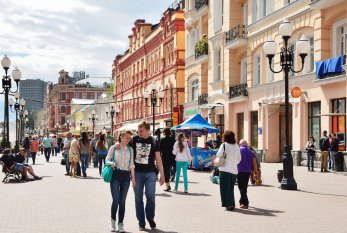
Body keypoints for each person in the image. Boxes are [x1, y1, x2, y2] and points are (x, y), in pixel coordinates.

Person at [115, 121, 164, 231]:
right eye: (138, 131)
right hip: (137, 173)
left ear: (148, 130)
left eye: (141, 131)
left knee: (150, 196)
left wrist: (162, 175)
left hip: (151, 173)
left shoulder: (154, 140)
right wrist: (117, 144)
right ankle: (141, 221)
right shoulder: (134, 140)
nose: (139, 133)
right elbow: (124, 143)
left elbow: (158, 159)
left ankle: (150, 217)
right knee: (138, 198)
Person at [106, 131, 136, 233]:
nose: (128, 140)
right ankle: (113, 222)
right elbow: (107, 160)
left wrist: (133, 178)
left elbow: (131, 164)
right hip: (115, 175)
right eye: (127, 138)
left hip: (126, 176)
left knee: (122, 201)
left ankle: (121, 225)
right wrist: (111, 163)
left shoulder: (130, 150)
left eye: (129, 138)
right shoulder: (114, 148)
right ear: (121, 137)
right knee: (116, 201)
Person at [216, 130, 241, 211]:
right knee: (230, 188)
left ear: (225, 137)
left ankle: (228, 204)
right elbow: (239, 159)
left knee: (224, 188)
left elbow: (218, 155)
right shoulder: (236, 146)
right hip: (234, 170)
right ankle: (231, 203)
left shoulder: (224, 145)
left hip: (224, 169)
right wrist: (234, 163)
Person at [237, 139, 258, 209]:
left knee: (241, 187)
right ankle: (241, 201)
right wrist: (256, 173)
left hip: (239, 171)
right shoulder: (251, 152)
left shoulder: (238, 151)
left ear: (240, 144)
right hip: (248, 172)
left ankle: (245, 203)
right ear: (246, 144)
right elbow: (254, 163)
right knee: (244, 187)